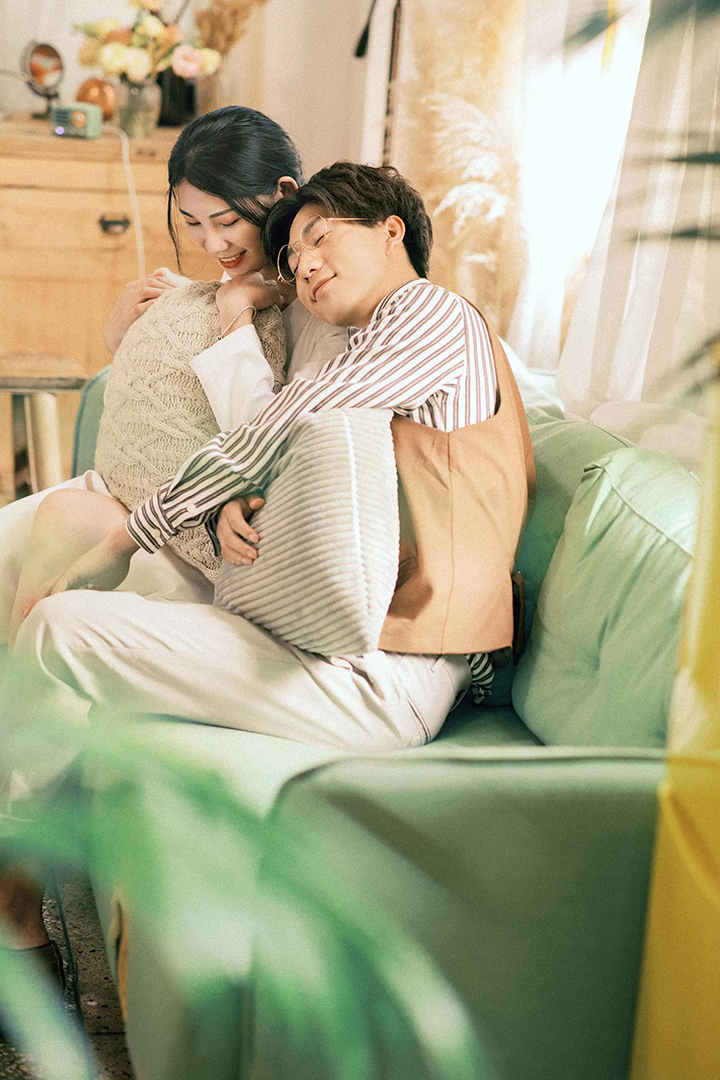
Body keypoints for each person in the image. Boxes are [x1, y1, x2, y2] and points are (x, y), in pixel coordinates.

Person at [0, 162, 533, 958]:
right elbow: (315, 457)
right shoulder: (366, 344)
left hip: (385, 675)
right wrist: (239, 498)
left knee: (62, 627)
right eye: (292, 257)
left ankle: (14, 899)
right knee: (59, 613)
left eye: (320, 237)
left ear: (391, 230)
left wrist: (131, 532)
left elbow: (289, 419)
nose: (305, 265)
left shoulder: (431, 313)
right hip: (329, 648)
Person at [0, 105, 347, 649]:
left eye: (227, 222)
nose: (213, 245)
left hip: (210, 540)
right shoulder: (232, 290)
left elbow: (265, 439)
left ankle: (24, 678)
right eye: (193, 224)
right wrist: (127, 335)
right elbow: (170, 403)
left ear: (284, 193)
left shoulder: (319, 306)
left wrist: (234, 310)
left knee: (62, 522)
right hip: (137, 497)